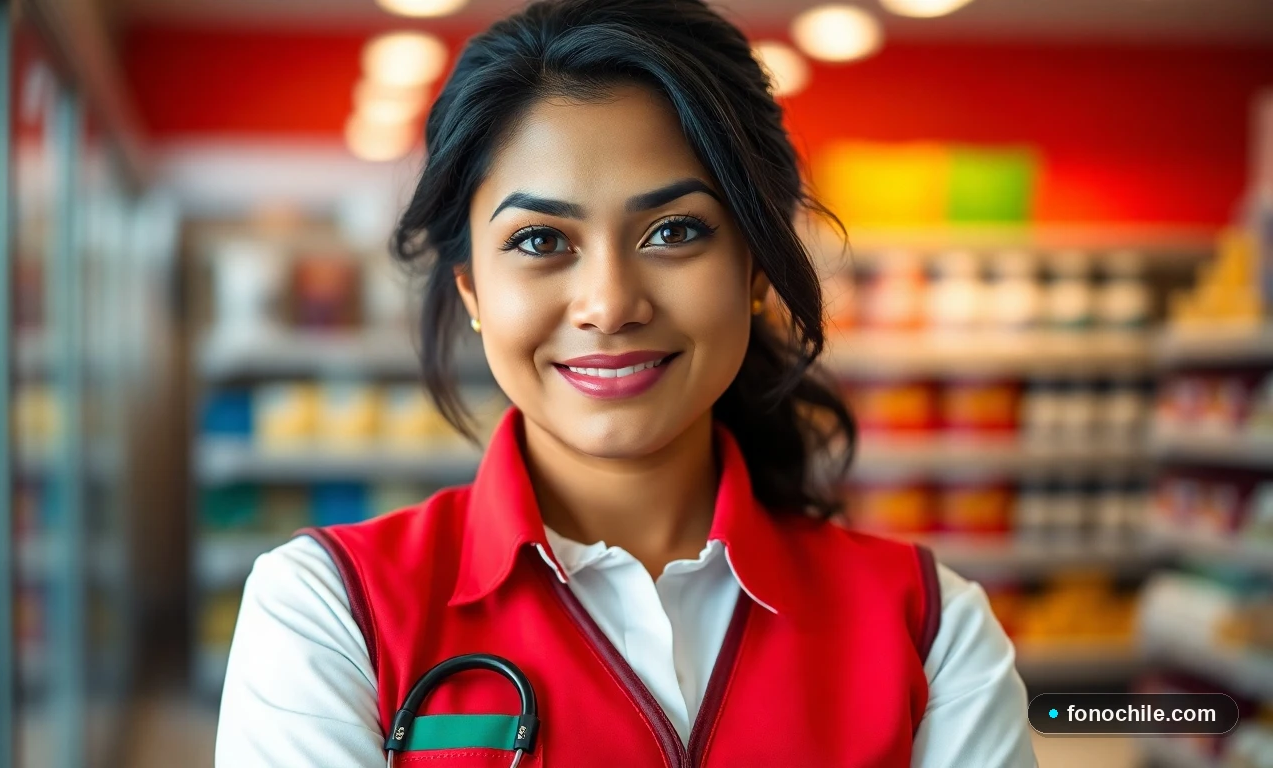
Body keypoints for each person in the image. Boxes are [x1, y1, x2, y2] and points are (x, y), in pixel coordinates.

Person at [215, 0, 1037, 764]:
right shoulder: (330, 611)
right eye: (540, 241)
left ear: (755, 268)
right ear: (471, 291)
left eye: (674, 231)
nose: (609, 305)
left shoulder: (932, 630)